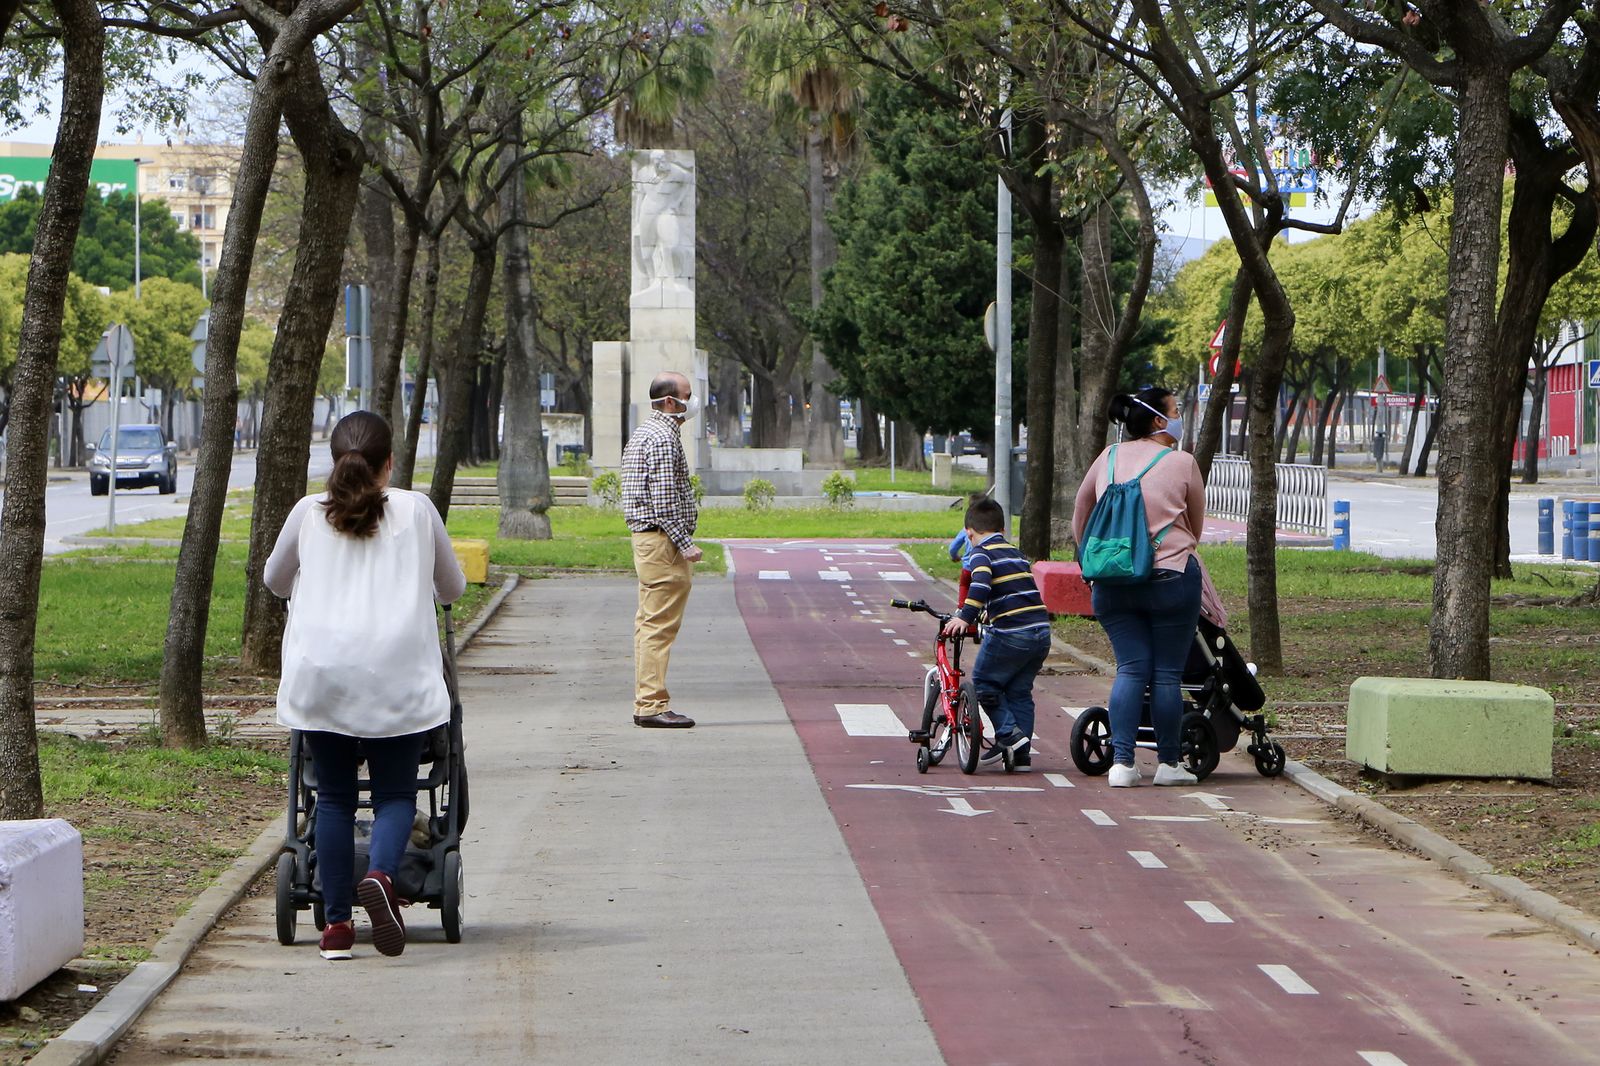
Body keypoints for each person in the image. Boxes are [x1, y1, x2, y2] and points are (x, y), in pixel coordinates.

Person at [265, 411, 466, 960]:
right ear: (389, 463)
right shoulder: (417, 510)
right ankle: (380, 876)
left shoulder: (309, 513)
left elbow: (274, 581)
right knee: (395, 793)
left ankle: (335, 928)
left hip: (323, 674)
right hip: (397, 675)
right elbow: (452, 587)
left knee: (332, 797)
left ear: (335, 462)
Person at [1072, 387, 1207, 788]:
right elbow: (1196, 525)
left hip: (1111, 582)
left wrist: (1095, 561)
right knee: (1166, 674)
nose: (1180, 416)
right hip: (1170, 578)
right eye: (1176, 410)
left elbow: (1081, 514)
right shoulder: (1182, 462)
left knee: (1130, 669)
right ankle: (1169, 765)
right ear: (1159, 421)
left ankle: (1122, 765)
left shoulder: (1108, 457)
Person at [941, 496, 1052, 771]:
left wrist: (964, 617)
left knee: (984, 684)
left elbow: (980, 586)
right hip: (1040, 631)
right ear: (1002, 529)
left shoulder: (981, 553)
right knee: (1019, 691)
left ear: (969, 534)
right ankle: (1021, 756)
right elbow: (1013, 590)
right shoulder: (1016, 553)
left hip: (1012, 633)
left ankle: (1008, 734)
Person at [622, 370, 704, 728]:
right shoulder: (662, 438)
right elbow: (665, 501)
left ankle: (648, 701)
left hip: (650, 541)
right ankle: (651, 705)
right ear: (670, 402)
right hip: (662, 543)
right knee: (658, 628)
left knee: (649, 625)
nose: (693, 401)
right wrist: (685, 544)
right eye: (687, 394)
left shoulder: (646, 432)